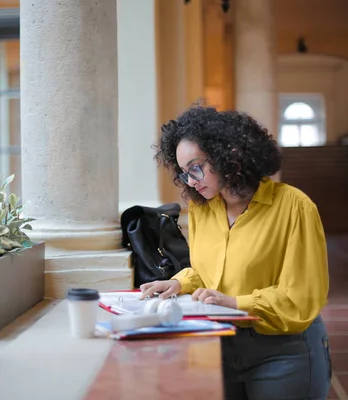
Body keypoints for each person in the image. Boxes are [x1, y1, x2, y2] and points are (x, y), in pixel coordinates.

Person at [142, 105, 332, 400]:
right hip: (219, 342)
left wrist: (233, 302)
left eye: (196, 167)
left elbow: (302, 298)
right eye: (183, 173)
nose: (191, 181)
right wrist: (181, 282)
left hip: (283, 351)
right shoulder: (202, 207)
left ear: (228, 154)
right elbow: (213, 269)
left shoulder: (294, 206)